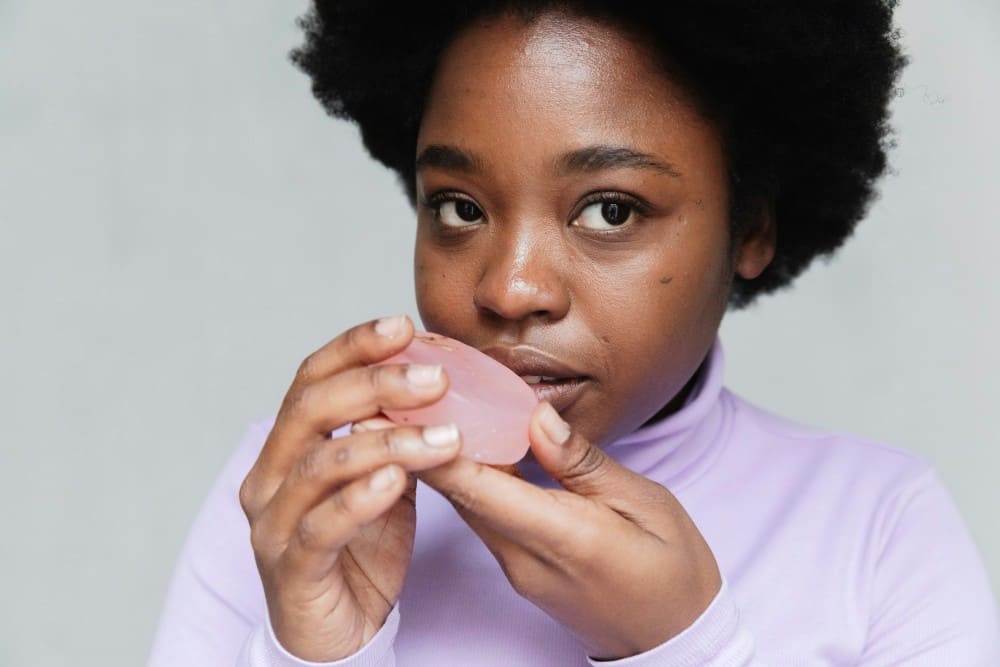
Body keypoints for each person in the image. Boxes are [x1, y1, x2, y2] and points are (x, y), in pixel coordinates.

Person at [148, 1, 1000, 665]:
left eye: (609, 209)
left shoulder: (881, 532)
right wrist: (317, 651)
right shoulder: (295, 503)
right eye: (460, 207)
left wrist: (678, 645)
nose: (511, 286)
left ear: (750, 229)